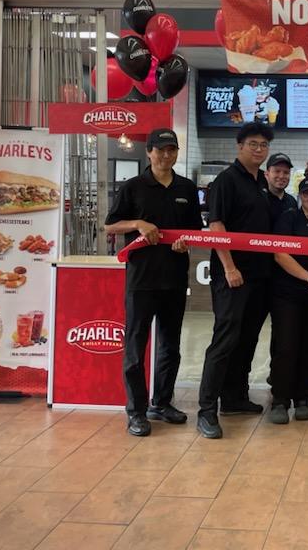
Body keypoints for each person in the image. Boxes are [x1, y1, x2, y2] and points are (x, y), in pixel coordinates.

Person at [104, 128, 203, 436]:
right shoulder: (134, 187)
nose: (165, 155)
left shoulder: (186, 187)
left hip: (174, 280)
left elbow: (195, 233)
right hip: (141, 281)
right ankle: (136, 411)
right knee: (135, 348)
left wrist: (185, 242)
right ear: (149, 152)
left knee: (170, 347)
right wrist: (138, 223)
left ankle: (161, 402)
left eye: (171, 150)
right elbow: (109, 226)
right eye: (160, 150)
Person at [197, 122, 274, 439]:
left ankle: (234, 397)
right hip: (233, 275)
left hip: (259, 276)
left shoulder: (261, 182)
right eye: (253, 144)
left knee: (247, 338)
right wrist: (229, 267)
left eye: (263, 145)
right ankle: (206, 410)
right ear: (239, 146)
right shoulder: (227, 180)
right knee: (225, 339)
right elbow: (217, 225)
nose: (259, 149)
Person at [267, 178, 308, 423]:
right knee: (286, 346)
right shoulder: (289, 217)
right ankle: (280, 400)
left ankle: (304, 398)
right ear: (301, 195)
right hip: (288, 293)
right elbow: (280, 254)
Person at [265, 152, 297, 226]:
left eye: (286, 172)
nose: (281, 176)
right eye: (277, 171)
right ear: (267, 174)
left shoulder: (292, 202)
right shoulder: (259, 200)